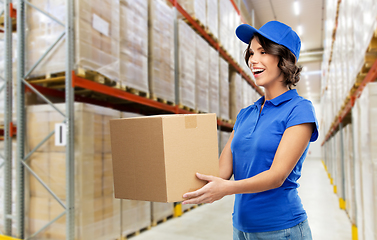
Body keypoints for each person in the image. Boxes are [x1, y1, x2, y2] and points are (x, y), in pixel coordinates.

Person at [182, 20, 319, 240]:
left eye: (263, 51)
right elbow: (222, 172)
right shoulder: (246, 114)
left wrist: (226, 189)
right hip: (241, 229)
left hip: (281, 229)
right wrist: (179, 178)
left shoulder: (299, 110)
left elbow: (276, 176)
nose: (253, 60)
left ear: (285, 59)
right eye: (251, 52)